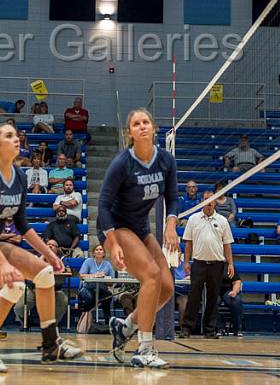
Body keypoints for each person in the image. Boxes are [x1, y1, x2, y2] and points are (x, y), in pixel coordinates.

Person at [0, 123, 82, 372]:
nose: (17, 139)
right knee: (15, 283)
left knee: (44, 274)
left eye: (17, 135)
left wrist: (49, 253)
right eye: (9, 136)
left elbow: (22, 224)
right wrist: (2, 264)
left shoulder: (19, 175)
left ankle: (50, 343)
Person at [98, 108, 179, 368]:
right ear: (130, 133)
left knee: (166, 287)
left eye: (146, 122)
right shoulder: (122, 163)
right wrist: (112, 242)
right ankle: (145, 348)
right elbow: (102, 206)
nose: (142, 126)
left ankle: (126, 327)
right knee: (151, 276)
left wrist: (170, 224)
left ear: (154, 128)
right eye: (136, 124)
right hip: (116, 226)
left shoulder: (166, 160)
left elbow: (173, 198)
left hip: (141, 227)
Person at [177, 191, 234, 339]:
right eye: (206, 200)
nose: (209, 203)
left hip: (217, 265)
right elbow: (188, 243)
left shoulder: (222, 220)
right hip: (198, 264)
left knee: (213, 297)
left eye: (212, 200)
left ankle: (210, 330)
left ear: (215, 202)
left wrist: (230, 264)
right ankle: (186, 328)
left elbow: (227, 244)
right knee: (194, 297)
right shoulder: (193, 219)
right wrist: (186, 262)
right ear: (202, 202)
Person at [76, 243, 114, 321]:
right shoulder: (88, 261)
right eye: (97, 250)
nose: (99, 251)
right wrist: (95, 275)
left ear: (104, 253)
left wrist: (105, 278)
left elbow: (111, 282)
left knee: (108, 296)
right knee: (90, 297)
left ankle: (107, 320)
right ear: (93, 253)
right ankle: (85, 319)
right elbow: (81, 275)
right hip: (87, 288)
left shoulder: (108, 264)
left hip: (101, 289)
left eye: (101, 250)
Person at [218, 267, 245, 337]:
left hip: (228, 290)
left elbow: (237, 281)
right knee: (212, 302)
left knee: (236, 300)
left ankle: (237, 328)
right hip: (214, 291)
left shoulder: (229, 266)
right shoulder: (209, 266)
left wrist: (234, 291)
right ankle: (219, 328)